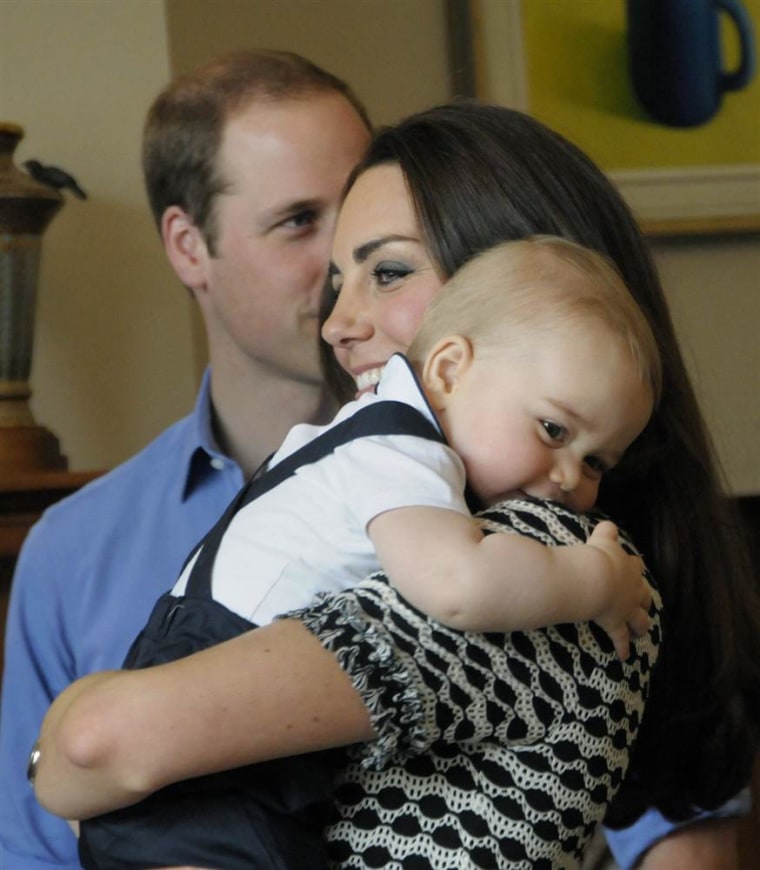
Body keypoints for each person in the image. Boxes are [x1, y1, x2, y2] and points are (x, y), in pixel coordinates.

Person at [31, 103, 759, 868]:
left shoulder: (542, 561)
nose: (337, 323)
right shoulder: (406, 492)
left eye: (389, 272)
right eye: (341, 281)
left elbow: (96, 743)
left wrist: (67, 749)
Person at [75, 235, 659, 868]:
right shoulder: (401, 451)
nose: (570, 478)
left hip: (196, 697)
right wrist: (593, 580)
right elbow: (460, 585)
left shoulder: (363, 436)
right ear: (449, 370)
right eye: (553, 429)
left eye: (596, 460)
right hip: (219, 697)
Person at [0, 48, 371, 869]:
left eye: (361, 212)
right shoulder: (71, 554)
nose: (347, 262)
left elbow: (668, 820)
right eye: (300, 221)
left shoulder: (493, 479)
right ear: (188, 247)